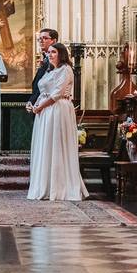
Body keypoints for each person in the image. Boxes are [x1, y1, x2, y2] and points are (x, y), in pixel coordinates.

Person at [27, 42, 89, 201]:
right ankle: (45, 185)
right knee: (46, 146)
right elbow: (43, 91)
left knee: (56, 145)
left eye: (53, 52)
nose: (50, 55)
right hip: (45, 112)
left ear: (61, 54)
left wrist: (39, 107)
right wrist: (34, 105)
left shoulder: (66, 69)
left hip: (58, 110)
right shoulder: (49, 71)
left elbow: (56, 94)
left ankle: (60, 186)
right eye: (48, 52)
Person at [26, 28, 57, 113]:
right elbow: (39, 83)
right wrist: (32, 101)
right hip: (39, 103)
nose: (41, 41)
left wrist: (34, 101)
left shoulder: (56, 62)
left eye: (45, 38)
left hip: (48, 106)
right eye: (39, 39)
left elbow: (49, 87)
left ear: (54, 41)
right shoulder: (45, 59)